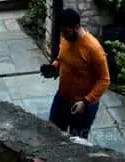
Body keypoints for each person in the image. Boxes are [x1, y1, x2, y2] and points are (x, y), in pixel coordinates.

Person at [40, 8, 110, 139]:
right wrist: (53, 67)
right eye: (62, 31)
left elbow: (104, 80)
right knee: (52, 136)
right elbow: (62, 59)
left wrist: (86, 101)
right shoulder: (65, 36)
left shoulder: (93, 49)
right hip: (62, 98)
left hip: (82, 106)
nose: (63, 35)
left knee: (76, 143)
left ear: (77, 27)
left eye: (66, 31)